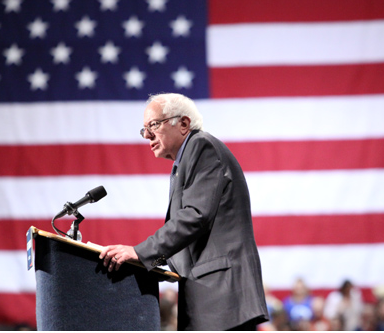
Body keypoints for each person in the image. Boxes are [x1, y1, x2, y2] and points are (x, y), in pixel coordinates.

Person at [99, 93, 269, 330]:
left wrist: (141, 252)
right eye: (144, 129)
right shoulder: (183, 162)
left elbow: (195, 217)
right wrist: (148, 262)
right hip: (210, 297)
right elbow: (190, 237)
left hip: (221, 295)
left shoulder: (201, 146)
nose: (147, 135)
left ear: (184, 124)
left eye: (153, 125)